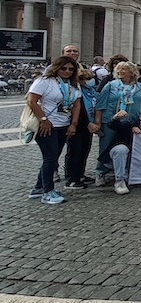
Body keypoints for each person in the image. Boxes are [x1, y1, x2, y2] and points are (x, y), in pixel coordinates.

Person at [26, 56, 82, 204]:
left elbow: (76, 105)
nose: (67, 71)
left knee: (53, 157)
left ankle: (38, 188)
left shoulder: (73, 84)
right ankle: (47, 191)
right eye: (64, 68)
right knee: (50, 158)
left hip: (63, 124)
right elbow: (32, 100)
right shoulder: (44, 81)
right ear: (56, 67)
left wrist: (73, 124)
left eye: (71, 69)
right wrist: (43, 119)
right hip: (47, 125)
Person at [94, 61, 141, 187]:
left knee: (128, 145)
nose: (120, 71)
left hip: (131, 121)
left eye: (124, 69)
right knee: (106, 145)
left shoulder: (140, 87)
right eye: (118, 69)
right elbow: (100, 104)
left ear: (131, 72)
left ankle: (125, 170)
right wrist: (98, 121)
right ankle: (101, 171)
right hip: (111, 120)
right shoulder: (111, 85)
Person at [105, 108, 141, 195]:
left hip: (135, 161)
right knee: (121, 149)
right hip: (116, 157)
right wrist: (116, 118)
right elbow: (112, 125)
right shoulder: (129, 125)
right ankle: (119, 181)